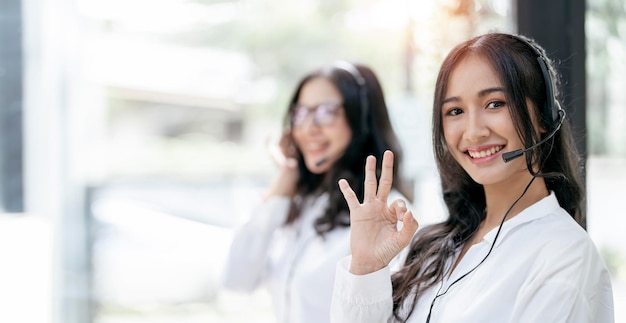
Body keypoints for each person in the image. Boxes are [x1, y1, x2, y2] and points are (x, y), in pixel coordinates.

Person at [332, 32, 615, 322]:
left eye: (495, 104)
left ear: (543, 115)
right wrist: (366, 267)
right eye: (455, 111)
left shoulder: (563, 256)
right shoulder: (435, 247)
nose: (473, 132)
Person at [222, 61, 413, 323]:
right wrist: (284, 181)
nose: (309, 128)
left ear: (360, 118)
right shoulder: (303, 204)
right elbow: (236, 280)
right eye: (300, 113)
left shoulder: (387, 219)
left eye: (326, 112)